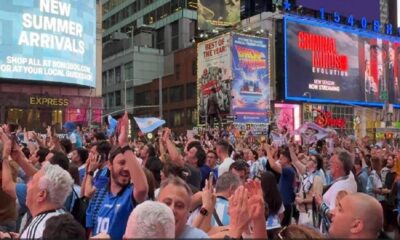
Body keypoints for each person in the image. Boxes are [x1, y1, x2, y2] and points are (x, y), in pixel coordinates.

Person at [91, 112, 149, 239]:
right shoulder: (99, 195)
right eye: (122, 163)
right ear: (110, 166)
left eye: (129, 163)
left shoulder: (130, 196)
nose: (127, 168)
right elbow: (90, 230)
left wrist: (124, 144)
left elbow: (142, 189)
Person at [2, 164, 74, 239]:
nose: (27, 185)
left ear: (42, 195)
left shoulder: (37, 230)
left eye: (32, 182)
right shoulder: (65, 220)